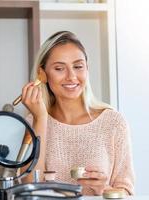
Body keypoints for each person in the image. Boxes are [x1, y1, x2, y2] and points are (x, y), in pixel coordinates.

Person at [21, 31, 134, 196]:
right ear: (42, 74)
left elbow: (128, 193)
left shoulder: (113, 122)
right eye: (59, 68)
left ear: (87, 69)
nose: (71, 76)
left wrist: (104, 189)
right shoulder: (33, 121)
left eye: (78, 66)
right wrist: (41, 118)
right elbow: (30, 189)